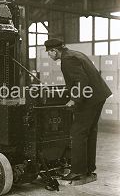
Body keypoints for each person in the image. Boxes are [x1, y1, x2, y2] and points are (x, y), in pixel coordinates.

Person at [44, 38, 112, 181]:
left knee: (77, 132)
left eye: (48, 53)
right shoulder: (75, 54)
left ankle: (78, 171)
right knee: (90, 131)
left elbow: (81, 80)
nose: (48, 56)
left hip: (89, 98)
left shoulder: (67, 60)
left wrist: (74, 99)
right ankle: (88, 169)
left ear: (54, 51)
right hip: (98, 96)